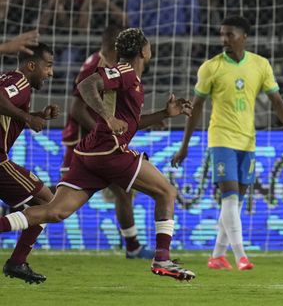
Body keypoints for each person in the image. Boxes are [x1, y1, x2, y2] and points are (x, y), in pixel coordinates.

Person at [0, 29, 196, 280]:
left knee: (55, 211)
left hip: (90, 153)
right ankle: (162, 259)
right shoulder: (124, 71)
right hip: (109, 150)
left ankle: (15, 253)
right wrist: (106, 117)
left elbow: (129, 124)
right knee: (166, 192)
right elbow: (87, 84)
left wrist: (164, 114)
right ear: (144, 51)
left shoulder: (132, 79)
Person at [171, 16, 283, 271]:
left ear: (244, 37)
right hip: (220, 138)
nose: (224, 39)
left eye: (230, 34)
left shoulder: (260, 65)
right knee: (230, 197)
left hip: (247, 140)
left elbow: (276, 100)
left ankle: (217, 256)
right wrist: (184, 145)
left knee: (236, 202)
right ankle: (241, 256)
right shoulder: (211, 67)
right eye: (222, 34)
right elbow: (196, 108)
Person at [60, 25, 154, 260]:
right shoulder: (97, 67)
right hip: (86, 143)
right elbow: (77, 109)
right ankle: (19, 203)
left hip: (99, 144)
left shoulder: (109, 67)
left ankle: (133, 246)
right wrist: (106, 128)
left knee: (122, 192)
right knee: (55, 203)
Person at [0, 43, 59, 284]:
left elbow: (7, 110)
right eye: (48, 66)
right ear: (31, 65)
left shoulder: (14, 82)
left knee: (44, 202)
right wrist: (27, 117)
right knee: (48, 202)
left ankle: (18, 262)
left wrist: (36, 115)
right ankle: (17, 262)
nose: (51, 73)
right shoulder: (21, 82)